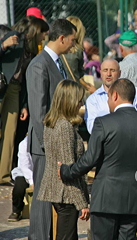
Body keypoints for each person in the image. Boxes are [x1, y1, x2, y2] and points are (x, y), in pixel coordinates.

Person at [59, 78, 137, 240]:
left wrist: (66, 171)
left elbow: (90, 160)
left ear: (115, 95)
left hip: (105, 199)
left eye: (108, 97)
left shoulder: (103, 123)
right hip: (135, 199)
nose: (108, 101)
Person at [25, 18, 77, 240]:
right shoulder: (40, 65)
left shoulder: (58, 61)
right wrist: (50, 145)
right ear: (62, 38)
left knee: (51, 195)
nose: (74, 45)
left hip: (55, 139)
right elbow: (39, 112)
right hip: (45, 143)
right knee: (43, 197)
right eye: (72, 40)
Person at [37, 80, 89, 240]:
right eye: (79, 100)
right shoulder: (64, 127)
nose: (81, 104)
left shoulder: (51, 122)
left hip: (56, 190)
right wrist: (82, 203)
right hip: (65, 194)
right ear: (69, 100)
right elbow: (68, 169)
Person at [0, 16, 48, 185]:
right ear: (35, 31)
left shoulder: (33, 50)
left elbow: (27, 79)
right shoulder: (14, 37)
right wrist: (3, 46)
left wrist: (25, 105)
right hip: (1, 84)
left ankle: (3, 175)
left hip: (15, 89)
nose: (44, 37)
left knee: (10, 132)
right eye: (43, 33)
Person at [84, 59, 137, 133]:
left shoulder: (133, 91)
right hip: (107, 141)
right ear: (100, 73)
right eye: (105, 70)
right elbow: (92, 128)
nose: (108, 74)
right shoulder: (93, 99)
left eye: (112, 70)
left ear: (120, 73)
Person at [8, 136, 32, 222]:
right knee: (19, 187)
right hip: (25, 172)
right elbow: (25, 166)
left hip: (42, 171)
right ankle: (16, 210)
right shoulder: (24, 143)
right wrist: (32, 181)